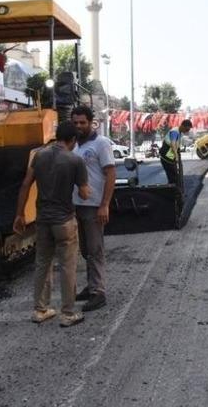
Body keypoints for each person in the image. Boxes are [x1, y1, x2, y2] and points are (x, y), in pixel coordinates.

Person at [13, 121, 91, 327]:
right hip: (64, 221)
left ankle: (40, 310)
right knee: (68, 266)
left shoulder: (39, 156)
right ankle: (68, 313)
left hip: (43, 220)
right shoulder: (75, 160)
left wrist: (19, 214)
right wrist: (87, 188)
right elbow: (84, 194)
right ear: (73, 140)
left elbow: (25, 185)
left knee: (42, 263)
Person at [70, 106, 116, 312]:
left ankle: (99, 292)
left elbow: (111, 174)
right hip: (78, 206)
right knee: (86, 250)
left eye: (82, 122)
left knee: (95, 249)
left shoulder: (101, 143)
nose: (79, 126)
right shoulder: (73, 145)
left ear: (91, 122)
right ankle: (91, 286)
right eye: (75, 123)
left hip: (94, 206)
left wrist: (104, 204)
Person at [159, 119, 192, 185]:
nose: (187, 131)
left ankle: (174, 188)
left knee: (174, 176)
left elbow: (176, 146)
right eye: (187, 129)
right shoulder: (175, 132)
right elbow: (173, 144)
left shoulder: (179, 133)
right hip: (166, 157)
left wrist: (177, 155)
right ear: (183, 126)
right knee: (173, 177)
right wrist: (176, 156)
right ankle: (172, 189)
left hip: (170, 157)